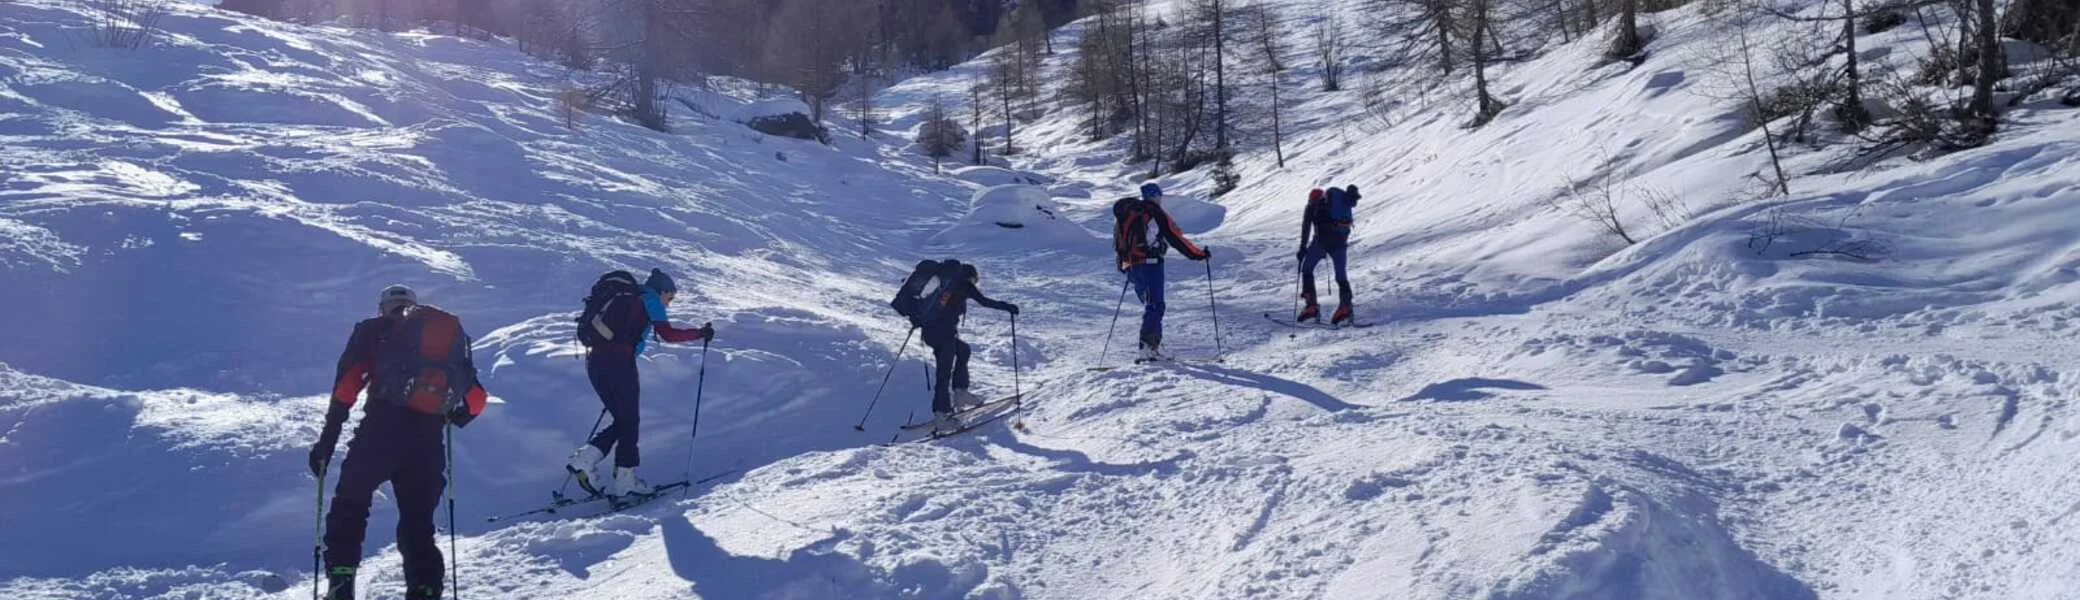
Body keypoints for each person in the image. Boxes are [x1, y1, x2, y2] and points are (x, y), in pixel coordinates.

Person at [309, 284, 488, 600]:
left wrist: (327, 441)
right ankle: (426, 589)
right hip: (427, 442)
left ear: (383, 308)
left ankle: (341, 585)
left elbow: (347, 385)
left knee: (350, 504)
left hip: (380, 432)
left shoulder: (373, 331)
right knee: (418, 522)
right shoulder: (446, 342)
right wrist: (453, 418)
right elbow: (476, 399)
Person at [565, 268, 713, 498]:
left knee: (624, 420)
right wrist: (700, 333)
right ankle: (625, 481)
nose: (668, 304)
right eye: (670, 297)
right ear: (662, 291)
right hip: (619, 364)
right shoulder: (650, 299)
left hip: (596, 362)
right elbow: (668, 334)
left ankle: (586, 459)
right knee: (630, 421)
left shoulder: (627, 298)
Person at [1112, 182, 1209, 360]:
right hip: (1150, 264)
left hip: (1131, 266)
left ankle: (1154, 345)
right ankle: (1148, 348)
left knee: (1151, 305)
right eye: (1159, 196)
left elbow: (1119, 243)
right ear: (1155, 196)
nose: (1160, 200)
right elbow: (1175, 237)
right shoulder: (1154, 212)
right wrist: (1199, 254)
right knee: (1155, 305)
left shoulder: (1126, 215)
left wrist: (1124, 265)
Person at [919, 262, 1018, 431]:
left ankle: (960, 394)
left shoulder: (944, 284)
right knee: (944, 373)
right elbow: (984, 302)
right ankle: (941, 416)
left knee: (963, 350)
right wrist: (1007, 307)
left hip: (932, 333)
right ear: (971, 277)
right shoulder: (964, 285)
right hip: (943, 335)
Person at [1297, 185, 1359, 324]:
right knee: (1341, 276)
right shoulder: (1335, 205)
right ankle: (1345, 308)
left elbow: (1306, 227)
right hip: (1341, 242)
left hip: (1322, 242)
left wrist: (1303, 248)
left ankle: (1311, 307)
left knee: (1307, 269)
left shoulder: (1313, 206)